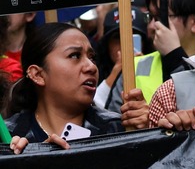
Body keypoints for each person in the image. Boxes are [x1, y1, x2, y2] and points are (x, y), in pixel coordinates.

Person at [5, 23, 124, 154]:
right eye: (74, 56)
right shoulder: (8, 139)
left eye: (92, 58)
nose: (91, 67)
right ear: (38, 75)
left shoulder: (117, 129)